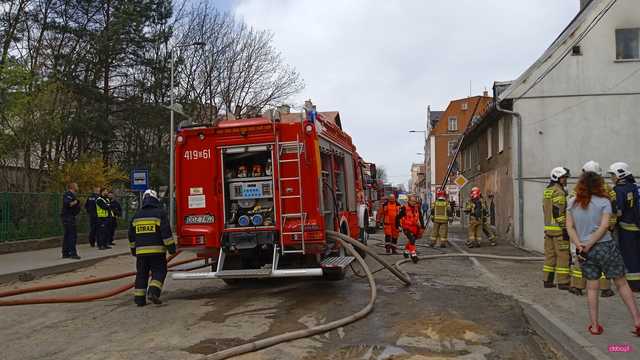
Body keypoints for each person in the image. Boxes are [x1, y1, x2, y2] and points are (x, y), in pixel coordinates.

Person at [566, 169, 640, 336]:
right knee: (621, 283)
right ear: (599, 185)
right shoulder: (604, 202)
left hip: (583, 250)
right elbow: (605, 226)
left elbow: (569, 227)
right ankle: (637, 321)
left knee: (592, 288)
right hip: (605, 246)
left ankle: (594, 326)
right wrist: (591, 243)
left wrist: (580, 245)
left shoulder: (572, 203)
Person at [568, 161, 615, 297]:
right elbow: (614, 209)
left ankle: (577, 286)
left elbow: (571, 209)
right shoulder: (608, 190)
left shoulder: (577, 190)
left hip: (582, 231)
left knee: (581, 258)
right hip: (601, 231)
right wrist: (610, 227)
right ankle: (605, 288)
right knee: (603, 260)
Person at [129, 189, 176, 306]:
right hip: (157, 252)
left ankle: (139, 299)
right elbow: (166, 233)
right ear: (155, 199)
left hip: (141, 253)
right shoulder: (160, 213)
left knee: (141, 274)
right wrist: (171, 248)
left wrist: (134, 250)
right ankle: (153, 292)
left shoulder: (136, 216)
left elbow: (131, 236)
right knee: (159, 271)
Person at [608, 162, 640, 292]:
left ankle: (634, 284)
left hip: (626, 229)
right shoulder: (634, 186)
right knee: (637, 254)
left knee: (629, 256)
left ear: (620, 174)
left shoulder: (619, 189)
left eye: (612, 175)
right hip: (637, 227)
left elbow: (618, 210)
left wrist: (610, 225)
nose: (611, 178)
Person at [542, 167, 571, 290]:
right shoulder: (558, 192)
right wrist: (565, 227)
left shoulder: (547, 191)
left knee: (550, 256)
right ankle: (563, 282)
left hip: (549, 231)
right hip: (559, 231)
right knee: (563, 257)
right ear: (557, 178)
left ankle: (547, 281)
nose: (566, 180)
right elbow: (557, 212)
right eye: (564, 177)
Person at [398, 194, 425, 263]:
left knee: (412, 240)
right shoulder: (404, 208)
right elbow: (397, 217)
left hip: (415, 227)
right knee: (412, 239)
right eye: (412, 201)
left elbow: (421, 217)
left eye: (415, 201)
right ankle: (413, 255)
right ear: (409, 201)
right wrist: (397, 225)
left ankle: (406, 252)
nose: (413, 203)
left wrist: (422, 226)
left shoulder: (417, 208)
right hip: (406, 227)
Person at [61, 183, 81, 259]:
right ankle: (73, 253)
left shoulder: (72, 195)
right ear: (72, 187)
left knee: (67, 235)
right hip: (68, 217)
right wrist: (76, 202)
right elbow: (68, 204)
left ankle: (65, 253)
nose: (77, 187)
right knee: (72, 235)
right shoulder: (68, 194)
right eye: (77, 186)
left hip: (70, 217)